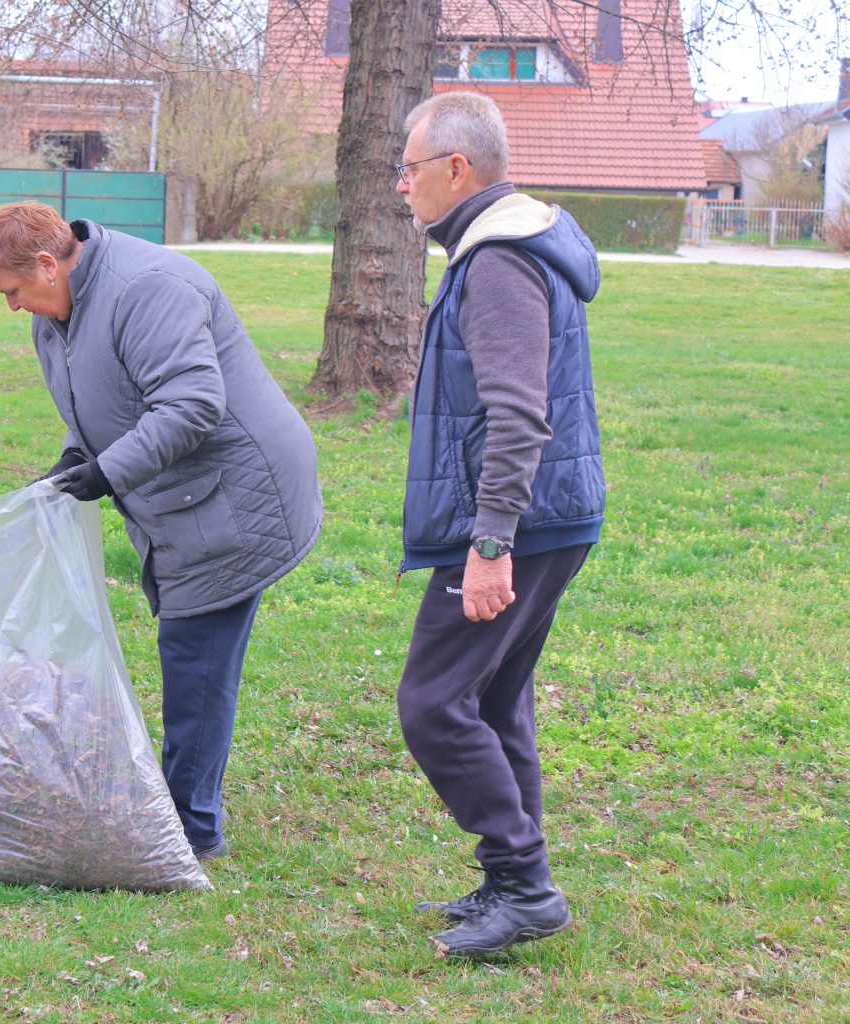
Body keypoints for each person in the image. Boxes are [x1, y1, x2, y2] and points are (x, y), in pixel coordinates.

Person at [0, 201, 322, 863]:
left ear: (48, 263)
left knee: (195, 656)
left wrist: (107, 473)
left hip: (237, 495)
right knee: (193, 649)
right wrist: (76, 459)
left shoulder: (148, 290)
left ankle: (190, 831)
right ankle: (185, 809)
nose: (13, 307)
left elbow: (192, 404)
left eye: (13, 292)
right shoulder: (58, 314)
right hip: (183, 494)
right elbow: (97, 397)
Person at [392, 92, 605, 956]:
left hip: (520, 519)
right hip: (553, 514)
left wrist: (490, 543)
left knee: (434, 703)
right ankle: (512, 882)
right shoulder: (500, 247)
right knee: (495, 698)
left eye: (410, 170)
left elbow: (518, 416)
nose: (400, 188)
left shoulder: (500, 263)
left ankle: (524, 883)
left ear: (457, 169)